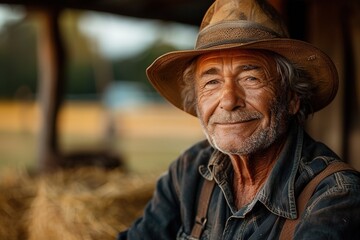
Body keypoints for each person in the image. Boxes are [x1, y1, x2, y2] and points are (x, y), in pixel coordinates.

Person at [117, 0, 360, 239]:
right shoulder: (190, 171)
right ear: (197, 102)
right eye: (212, 82)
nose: (229, 100)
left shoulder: (335, 195)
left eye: (250, 78)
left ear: (292, 98)